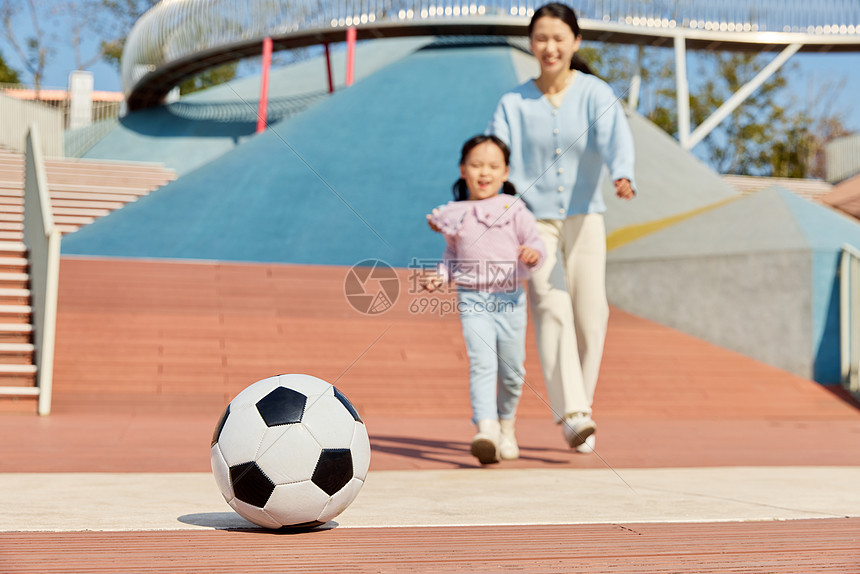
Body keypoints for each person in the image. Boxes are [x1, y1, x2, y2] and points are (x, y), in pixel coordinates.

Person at [486, 3, 637, 453]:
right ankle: (573, 415)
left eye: (558, 38)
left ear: (576, 41)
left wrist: (622, 173)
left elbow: (616, 138)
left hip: (586, 215)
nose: (549, 47)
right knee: (552, 307)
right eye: (541, 39)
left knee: (593, 316)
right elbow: (498, 154)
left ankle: (581, 408)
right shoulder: (512, 102)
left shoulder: (595, 92)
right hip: (535, 222)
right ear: (531, 44)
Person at [423, 134, 545, 465]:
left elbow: (535, 241)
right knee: (482, 362)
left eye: (493, 166)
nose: (484, 173)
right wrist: (441, 274)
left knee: (512, 370)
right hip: (473, 297)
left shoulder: (514, 207)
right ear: (463, 170)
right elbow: (452, 254)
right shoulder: (456, 214)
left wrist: (533, 253)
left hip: (511, 298)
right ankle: (486, 429)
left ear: (505, 172)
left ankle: (507, 425)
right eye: (476, 165)